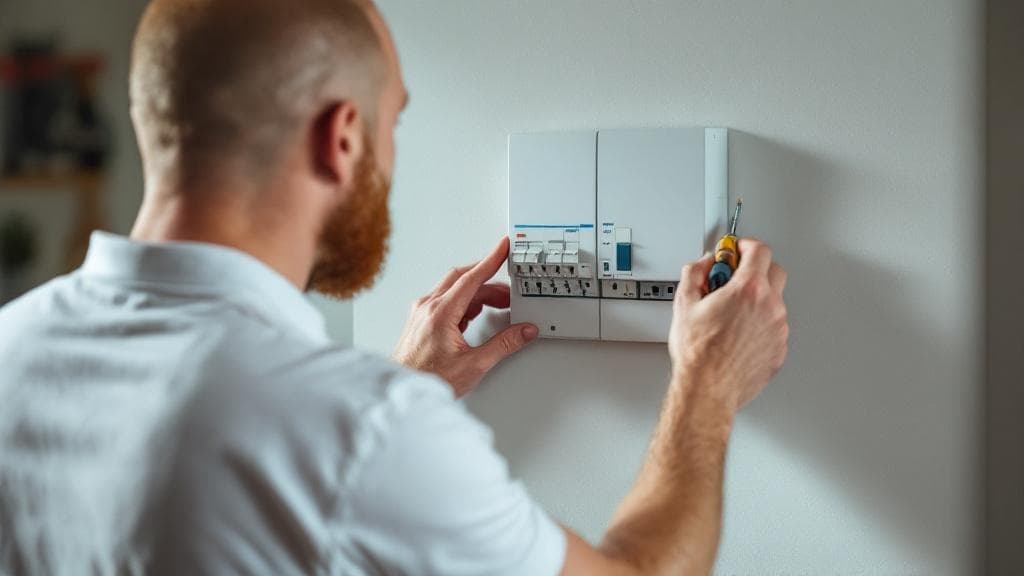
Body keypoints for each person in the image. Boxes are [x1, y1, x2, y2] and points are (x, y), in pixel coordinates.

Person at [0, 0, 789, 574]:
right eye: (394, 122)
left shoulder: (14, 345)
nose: (391, 154)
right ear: (343, 138)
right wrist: (707, 387)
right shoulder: (359, 428)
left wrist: (406, 389)